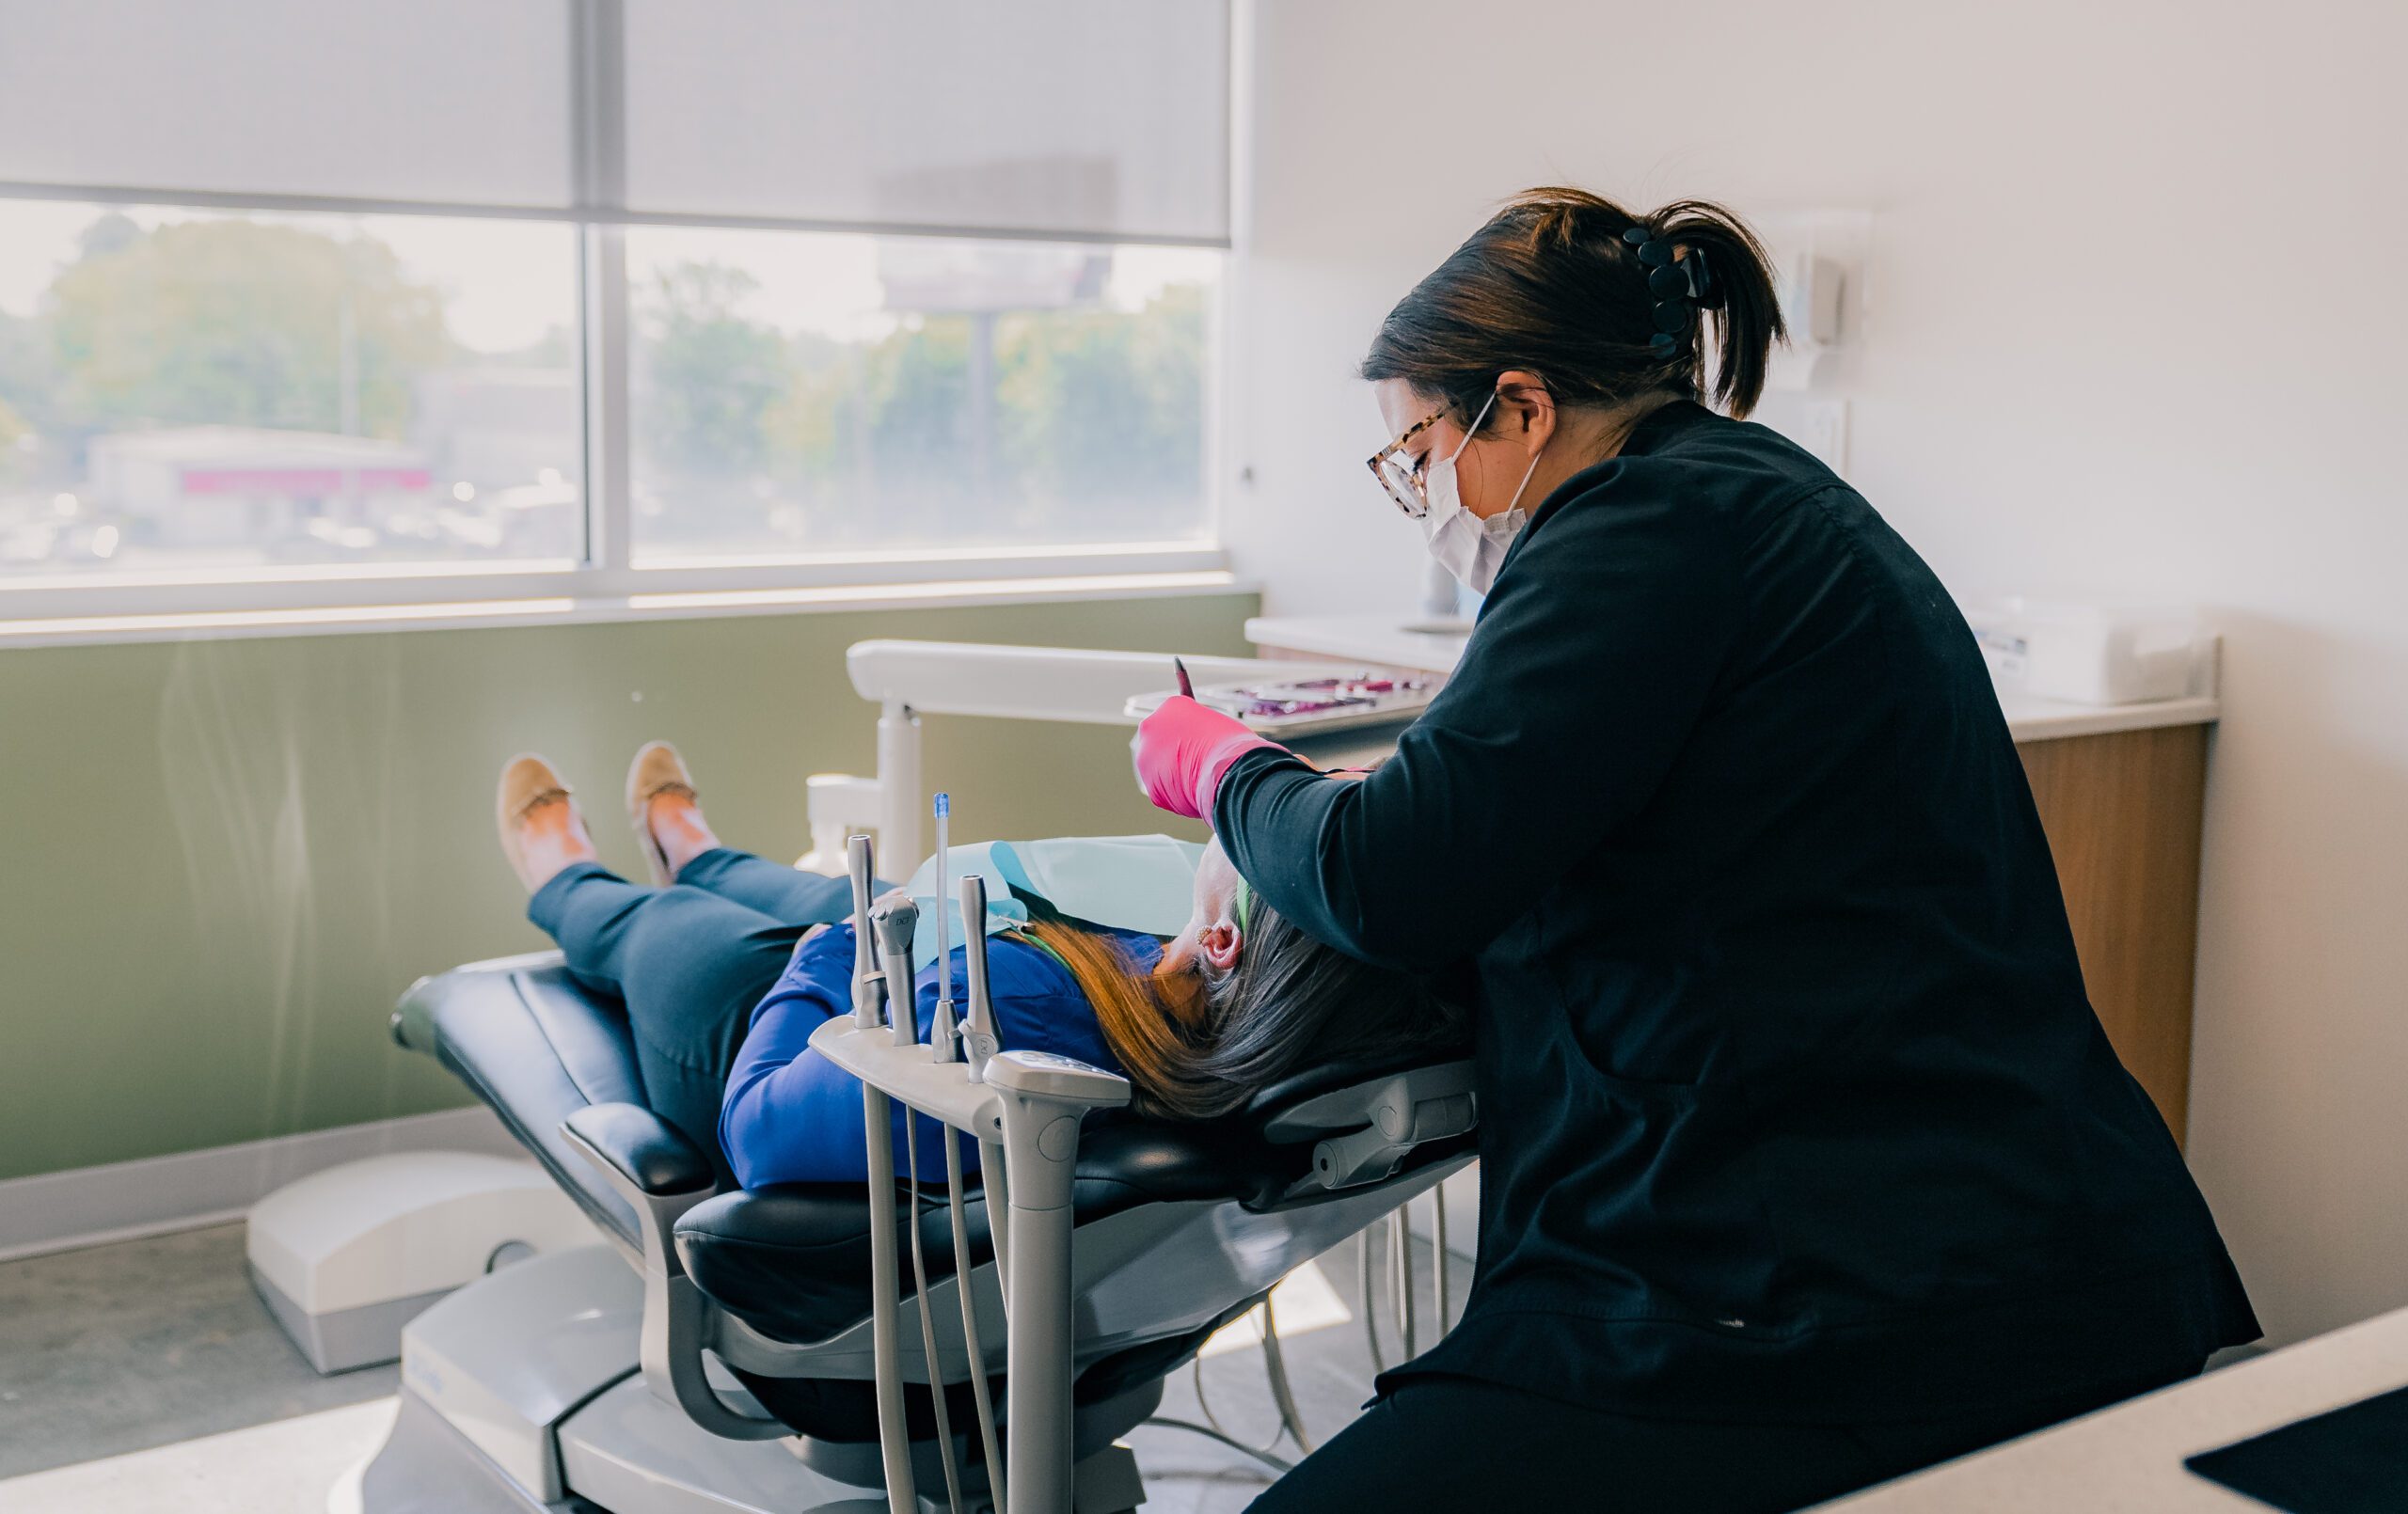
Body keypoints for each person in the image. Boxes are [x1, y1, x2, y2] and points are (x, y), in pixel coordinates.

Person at [1133, 187, 2258, 1513]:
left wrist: (1221, 766)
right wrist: (1362, 792)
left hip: (1846, 1283)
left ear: (1521, 409)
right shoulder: (1748, 500)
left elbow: (1392, 874)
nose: (1419, 493)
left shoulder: (1637, 534)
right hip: (1980, 1234)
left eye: (1416, 450)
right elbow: (1578, 787)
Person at [493, 742, 1462, 1191]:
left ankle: (565, 865)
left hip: (769, 1024)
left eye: (1279, 811)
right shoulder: (1233, 997)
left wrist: (824, 959)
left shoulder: (1020, 1029)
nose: (1268, 794)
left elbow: (758, 1130)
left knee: (667, 921)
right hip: (925, 962)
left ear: (1225, 940)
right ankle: (694, 840)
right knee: (793, 886)